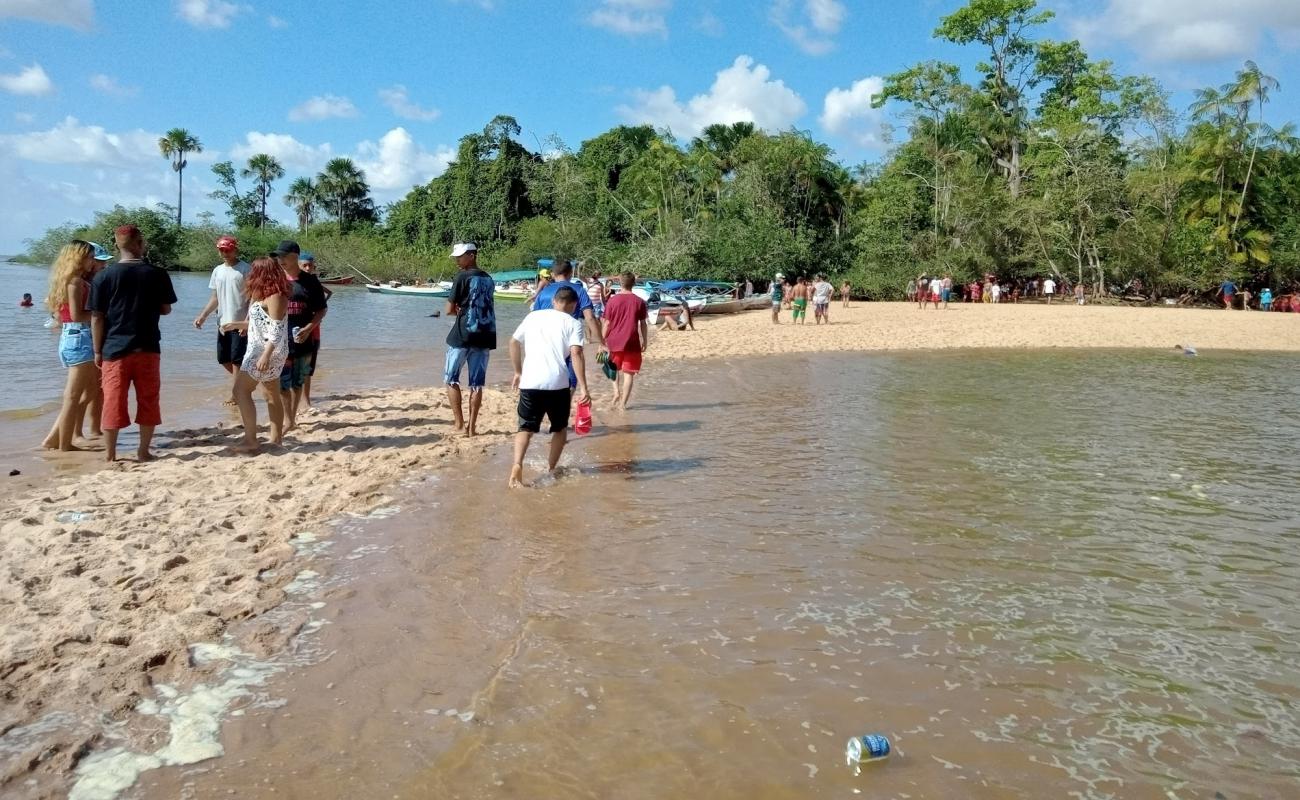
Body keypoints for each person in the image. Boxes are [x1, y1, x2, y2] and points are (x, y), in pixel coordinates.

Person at [88, 224, 177, 463]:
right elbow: (166, 309)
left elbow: (97, 316)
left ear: (117, 245)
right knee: (148, 399)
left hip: (114, 348)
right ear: (140, 243)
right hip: (148, 346)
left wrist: (97, 350)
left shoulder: (103, 276)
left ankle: (110, 454)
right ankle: (143, 451)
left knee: (113, 401)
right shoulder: (157, 274)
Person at [508, 285, 589, 488]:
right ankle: (551, 469)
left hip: (530, 381)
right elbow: (577, 354)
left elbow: (513, 342)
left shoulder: (533, 316)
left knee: (525, 428)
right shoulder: (573, 323)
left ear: (554, 301)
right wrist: (584, 388)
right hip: (558, 383)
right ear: (573, 305)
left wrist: (518, 371)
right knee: (560, 428)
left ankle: (517, 465)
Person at [219, 257, 289, 453]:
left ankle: (251, 439)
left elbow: (275, 330)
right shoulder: (266, 295)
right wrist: (236, 324)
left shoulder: (275, 296)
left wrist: (265, 356)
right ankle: (276, 440)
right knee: (271, 394)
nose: (250, 274)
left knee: (240, 391)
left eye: (254, 271)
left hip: (265, 351)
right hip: (265, 350)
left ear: (262, 273)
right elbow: (263, 324)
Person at [41, 241, 98, 451]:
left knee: (88, 392)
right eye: (90, 257)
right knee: (73, 396)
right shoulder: (74, 282)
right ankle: (65, 445)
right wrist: (103, 313)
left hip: (79, 337)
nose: (93, 261)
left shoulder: (77, 281)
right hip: (78, 337)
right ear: (78, 258)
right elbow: (76, 316)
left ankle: (53, 439)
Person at [444, 242, 496, 436]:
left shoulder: (462, 277)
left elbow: (449, 309)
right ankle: (472, 428)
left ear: (472, 255)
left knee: (451, 379)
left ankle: (459, 425)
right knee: (476, 383)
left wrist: (458, 311)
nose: (457, 260)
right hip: (486, 334)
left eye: (460, 256)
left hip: (463, 333)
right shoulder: (489, 279)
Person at [276, 240, 327, 432]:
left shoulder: (310, 281)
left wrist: (309, 328)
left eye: (283, 256)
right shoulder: (276, 280)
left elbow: (321, 310)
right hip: (279, 340)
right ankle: (287, 418)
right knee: (282, 383)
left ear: (294, 257)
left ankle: (292, 419)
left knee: (297, 382)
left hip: (303, 339)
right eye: (278, 256)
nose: (280, 260)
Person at [193, 235, 250, 405]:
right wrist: (203, 316)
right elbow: (215, 297)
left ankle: (236, 395)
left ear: (235, 249)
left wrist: (247, 322)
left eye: (228, 249)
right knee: (223, 360)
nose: (225, 253)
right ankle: (245, 384)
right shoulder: (217, 270)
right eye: (222, 250)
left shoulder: (246, 269)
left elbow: (253, 297)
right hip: (223, 323)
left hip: (240, 323)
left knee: (237, 362)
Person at [531, 258, 608, 371]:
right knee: (570, 380)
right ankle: (580, 388)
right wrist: (601, 342)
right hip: (569, 341)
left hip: (546, 341)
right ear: (571, 273)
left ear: (552, 274)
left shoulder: (543, 293)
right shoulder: (579, 290)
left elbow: (534, 320)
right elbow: (590, 318)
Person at [602, 272, 648, 410]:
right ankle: (622, 405)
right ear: (634, 283)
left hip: (613, 341)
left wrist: (602, 341)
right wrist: (645, 340)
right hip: (632, 342)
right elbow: (643, 323)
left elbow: (607, 324)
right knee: (629, 374)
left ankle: (616, 392)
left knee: (611, 368)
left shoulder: (612, 301)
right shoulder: (639, 301)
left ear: (620, 283)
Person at [299, 252, 332, 411]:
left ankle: (305, 400)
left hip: (313, 329)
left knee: (307, 366)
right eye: (304, 265)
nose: (307, 268)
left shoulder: (314, 282)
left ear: (314, 267)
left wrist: (318, 310)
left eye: (309, 266)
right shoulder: (291, 281)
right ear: (297, 265)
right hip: (294, 330)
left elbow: (328, 295)